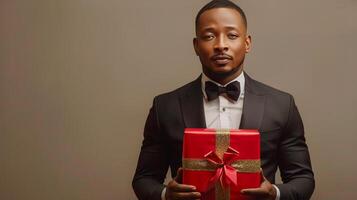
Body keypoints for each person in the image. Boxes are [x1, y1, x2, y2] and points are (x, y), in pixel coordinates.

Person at [132, 0, 315, 199]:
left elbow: (303, 179)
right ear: (196, 45)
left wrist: (275, 193)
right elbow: (144, 179)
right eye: (209, 36)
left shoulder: (281, 105)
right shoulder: (165, 107)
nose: (221, 45)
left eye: (232, 35)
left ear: (247, 43)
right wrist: (166, 194)